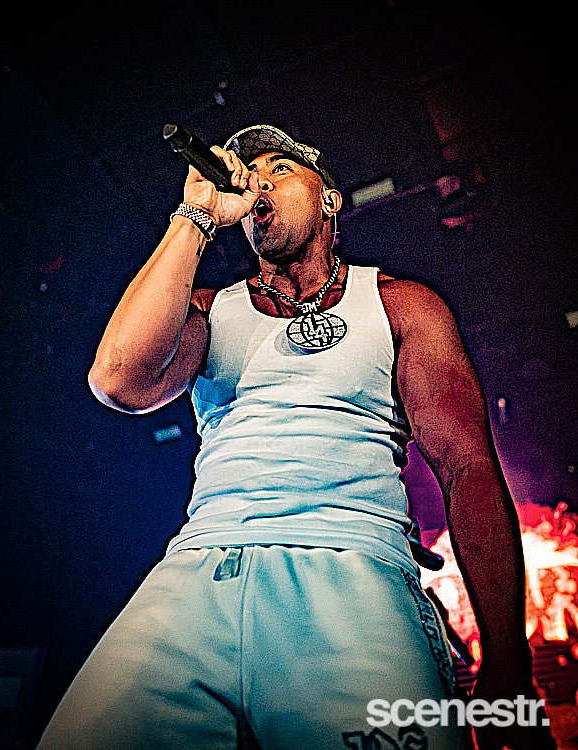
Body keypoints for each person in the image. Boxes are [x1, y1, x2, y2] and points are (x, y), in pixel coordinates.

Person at [37, 124, 556, 750]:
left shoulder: (400, 305)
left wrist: (509, 659)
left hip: (353, 571)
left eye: (279, 170)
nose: (258, 183)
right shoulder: (210, 309)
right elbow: (118, 381)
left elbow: (467, 470)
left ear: (330, 199)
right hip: (201, 569)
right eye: (250, 176)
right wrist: (194, 216)